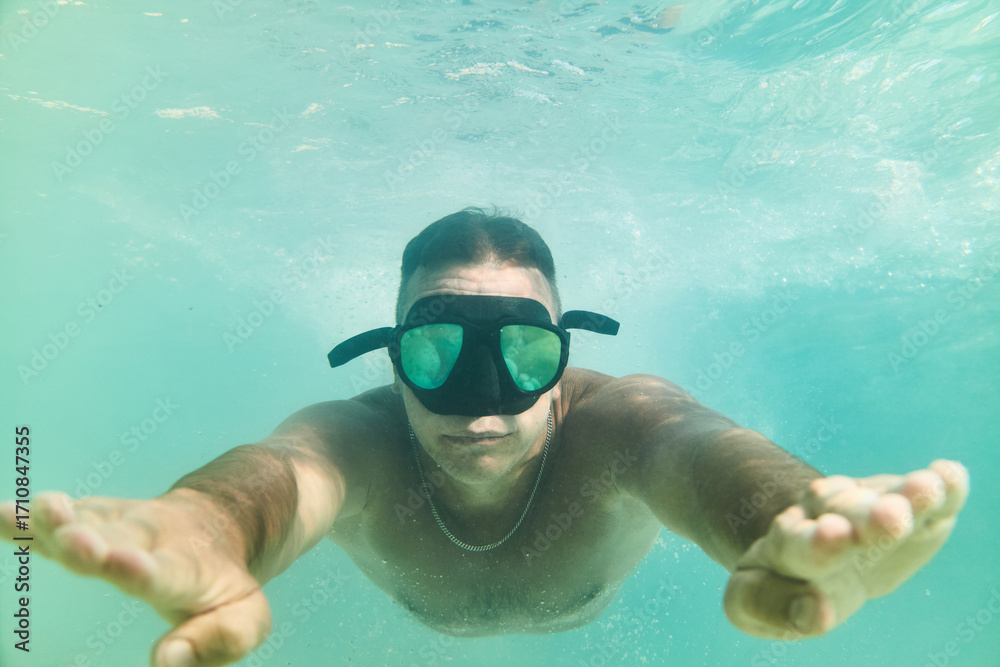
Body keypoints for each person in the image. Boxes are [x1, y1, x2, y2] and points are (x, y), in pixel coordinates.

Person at [2, 208, 969, 667]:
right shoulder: (362, 441)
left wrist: (792, 516)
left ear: (563, 361)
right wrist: (206, 527)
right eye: (433, 351)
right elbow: (282, 476)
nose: (480, 399)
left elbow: (698, 448)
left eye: (521, 352)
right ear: (390, 362)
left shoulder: (616, 423)